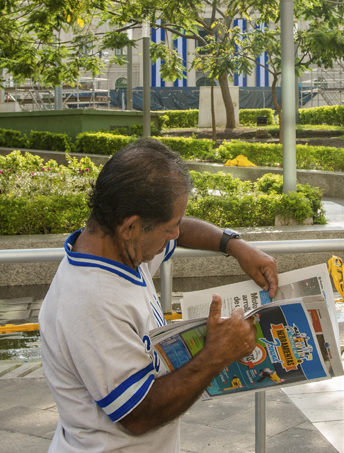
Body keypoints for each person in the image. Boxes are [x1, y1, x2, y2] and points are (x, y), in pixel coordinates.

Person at [39, 138, 278, 453]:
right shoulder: (94, 300)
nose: (175, 236)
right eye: (169, 228)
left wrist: (233, 245)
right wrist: (216, 354)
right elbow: (137, 415)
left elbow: (181, 230)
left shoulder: (119, 249)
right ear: (131, 227)